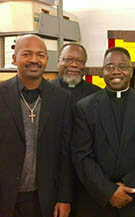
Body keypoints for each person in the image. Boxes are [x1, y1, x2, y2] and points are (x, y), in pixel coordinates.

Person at [71, 47, 135, 217]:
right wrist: (108, 191)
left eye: (123, 67)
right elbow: (81, 155)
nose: (116, 71)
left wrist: (128, 186)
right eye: (110, 67)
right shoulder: (84, 108)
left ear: (131, 71)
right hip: (97, 200)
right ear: (102, 71)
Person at [0, 34, 73, 217]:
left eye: (40, 55)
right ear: (14, 58)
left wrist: (64, 198)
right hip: (5, 196)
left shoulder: (62, 99)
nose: (34, 60)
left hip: (44, 199)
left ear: (47, 60)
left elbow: (66, 154)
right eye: (27, 54)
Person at [50, 43, 101, 217]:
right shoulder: (46, 92)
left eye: (80, 61)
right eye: (69, 59)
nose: (74, 65)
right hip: (53, 177)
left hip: (86, 180)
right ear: (58, 61)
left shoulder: (97, 96)